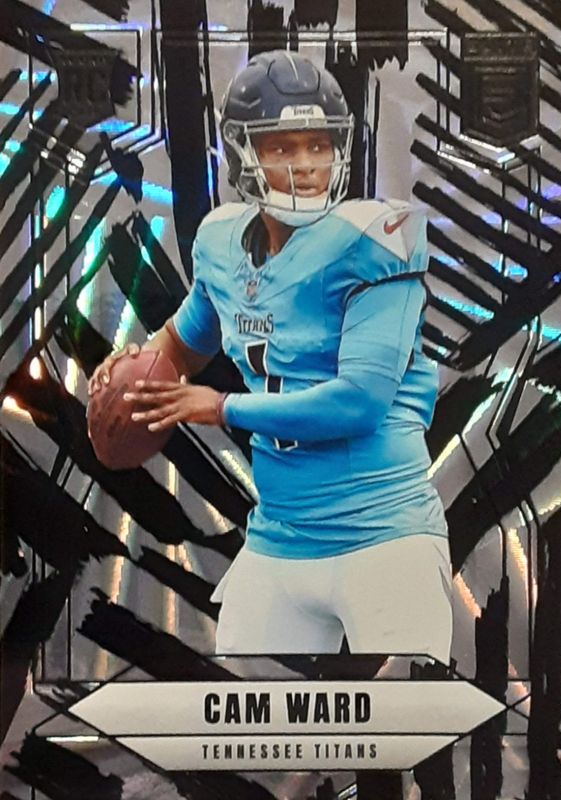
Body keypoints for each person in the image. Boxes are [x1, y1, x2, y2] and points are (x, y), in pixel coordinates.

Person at [88, 50, 453, 662]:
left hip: (385, 535)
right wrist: (138, 367)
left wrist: (222, 408)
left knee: (410, 720)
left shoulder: (375, 242)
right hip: (282, 537)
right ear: (242, 154)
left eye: (319, 145)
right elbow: (184, 342)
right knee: (240, 714)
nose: (306, 165)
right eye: (282, 147)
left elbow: (359, 403)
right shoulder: (222, 243)